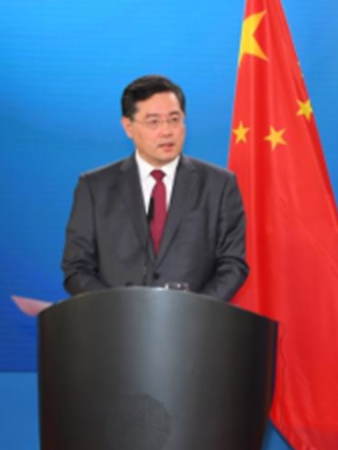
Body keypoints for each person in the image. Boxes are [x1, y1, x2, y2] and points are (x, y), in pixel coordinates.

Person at [61, 74, 249, 301]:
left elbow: (233, 265)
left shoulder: (219, 184)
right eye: (153, 122)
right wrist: (117, 309)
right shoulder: (95, 187)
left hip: (195, 329)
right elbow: (76, 268)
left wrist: (195, 312)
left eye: (174, 119)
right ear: (128, 127)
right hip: (116, 328)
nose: (167, 131)